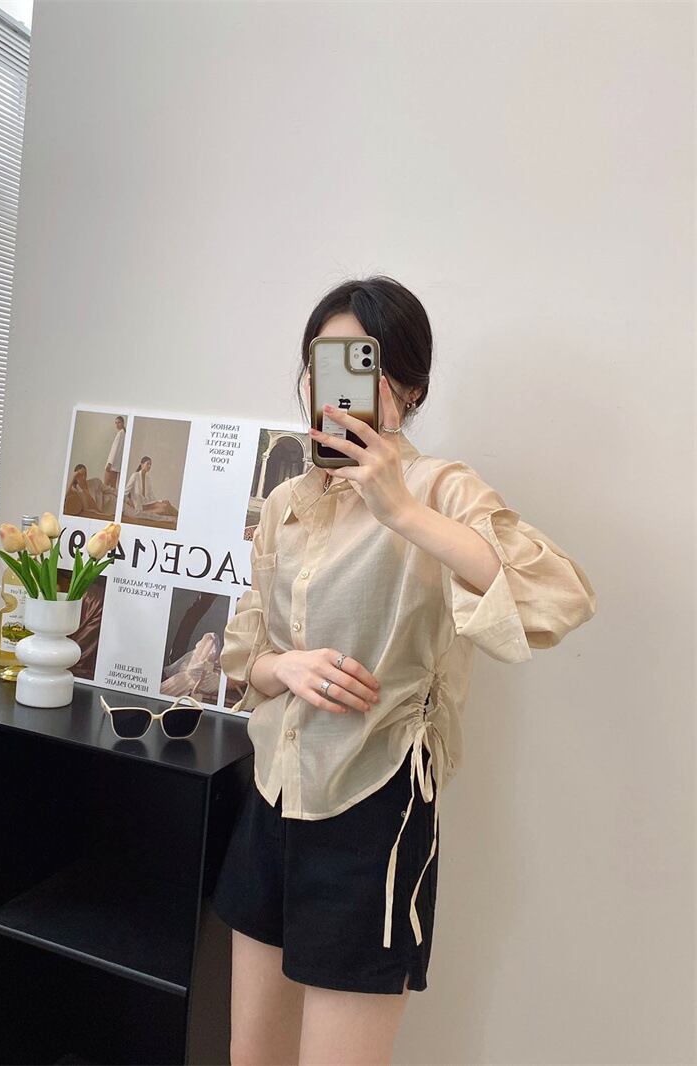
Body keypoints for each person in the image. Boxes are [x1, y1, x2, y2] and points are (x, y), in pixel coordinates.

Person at [212, 275, 597, 1065]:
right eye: (323, 364)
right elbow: (245, 657)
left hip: (373, 810)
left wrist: (402, 512)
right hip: (271, 797)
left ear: (410, 386)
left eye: (364, 364)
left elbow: (557, 596)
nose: (336, 386)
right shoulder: (285, 502)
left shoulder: (438, 490)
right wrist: (288, 667)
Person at [104, 415, 126, 490]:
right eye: (116, 423)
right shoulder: (123, 434)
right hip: (116, 466)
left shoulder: (120, 434)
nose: (117, 425)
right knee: (112, 487)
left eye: (119, 422)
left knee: (105, 486)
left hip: (112, 465)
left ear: (123, 423)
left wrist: (110, 463)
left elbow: (115, 449)